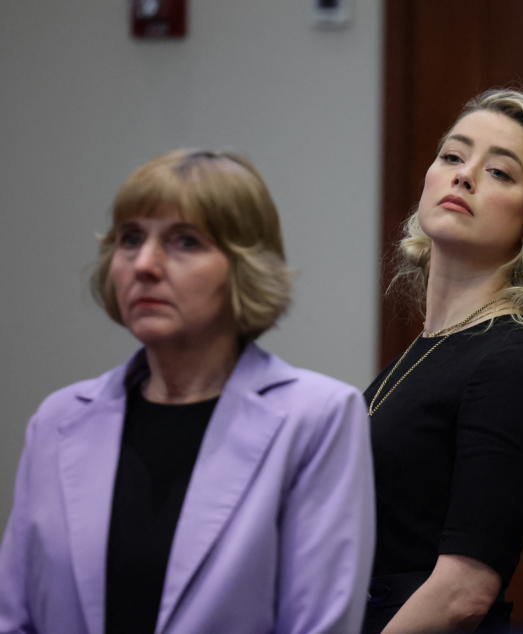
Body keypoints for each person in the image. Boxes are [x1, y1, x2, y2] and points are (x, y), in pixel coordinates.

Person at [0, 148, 375, 633]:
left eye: (185, 242)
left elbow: (318, 624)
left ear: (243, 267)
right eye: (130, 239)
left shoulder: (318, 418)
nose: (145, 265)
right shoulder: (58, 419)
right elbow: (14, 617)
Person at [363, 89, 523, 633]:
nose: (464, 175)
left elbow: (465, 592)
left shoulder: (512, 363)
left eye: (499, 172)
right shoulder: (428, 349)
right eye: (452, 156)